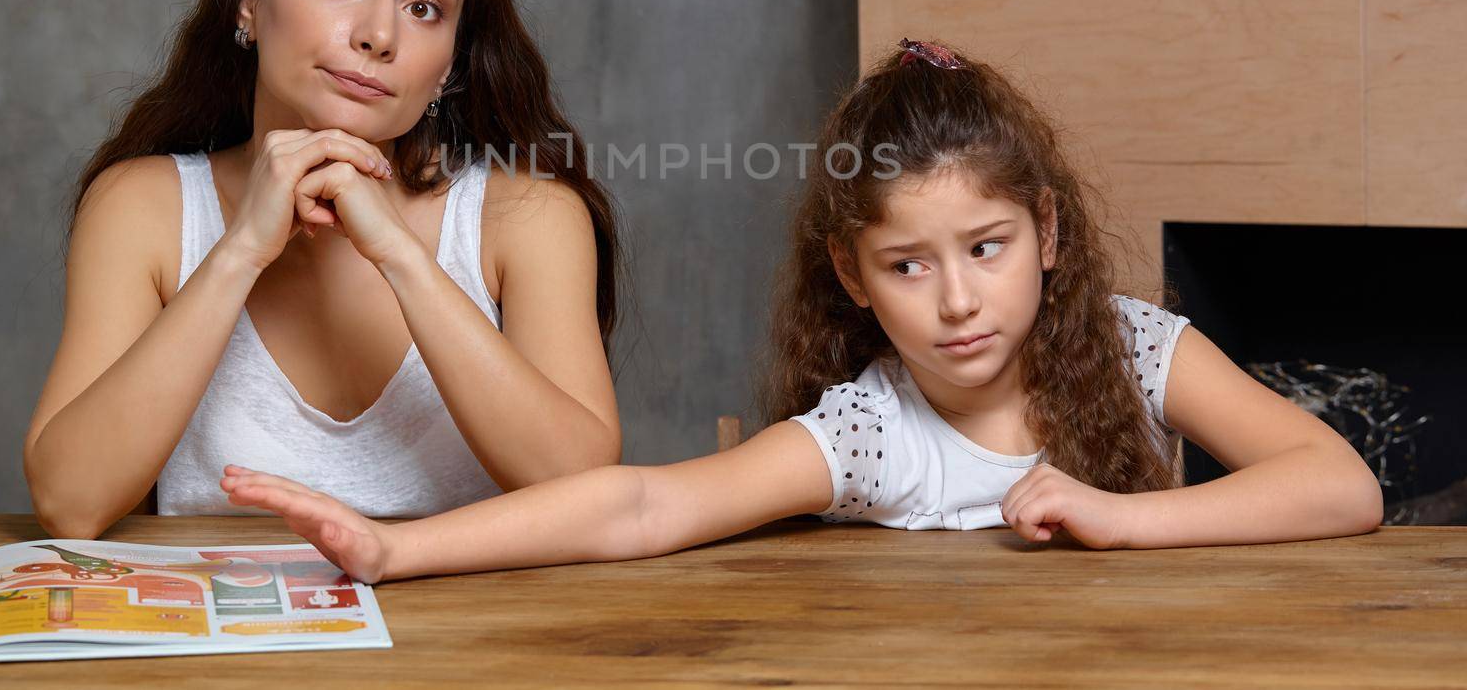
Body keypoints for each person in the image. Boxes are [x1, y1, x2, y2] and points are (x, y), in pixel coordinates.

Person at [217, 38, 1383, 581]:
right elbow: (636, 504)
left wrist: (1124, 516)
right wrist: (394, 546)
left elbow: (1341, 484)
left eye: (988, 246)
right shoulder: (871, 433)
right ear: (850, 275)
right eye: (908, 266)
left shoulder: (1135, 347)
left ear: (1051, 232)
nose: (960, 299)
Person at [24, 0, 625, 538]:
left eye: (424, 7)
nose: (378, 33)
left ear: (446, 70)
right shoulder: (142, 206)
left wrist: (400, 255)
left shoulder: (527, 217)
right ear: (250, 1)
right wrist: (241, 248)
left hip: (471, 642)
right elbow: (70, 500)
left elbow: (586, 491)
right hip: (222, 642)